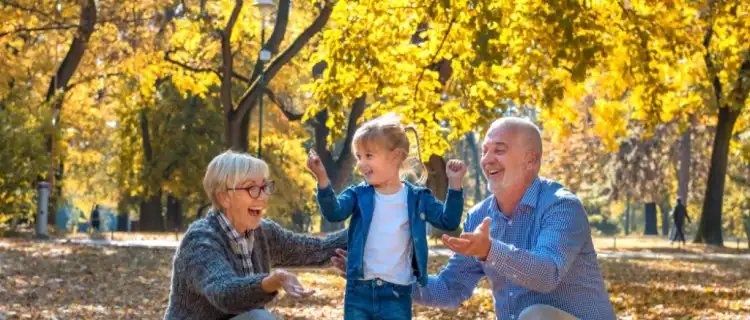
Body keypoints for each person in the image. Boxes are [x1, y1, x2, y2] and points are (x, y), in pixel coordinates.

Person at [332, 117, 616, 320]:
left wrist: (490, 250)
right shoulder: (480, 215)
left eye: (500, 150)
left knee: (536, 314)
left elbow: (546, 274)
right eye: (485, 151)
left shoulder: (561, 207)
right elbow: (450, 289)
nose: (487, 159)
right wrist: (380, 276)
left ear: (531, 160)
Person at [307, 113, 467, 320]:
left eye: (368, 155)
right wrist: (322, 179)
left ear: (394, 156)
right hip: (359, 291)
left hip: (397, 293)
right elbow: (334, 213)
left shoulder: (418, 198)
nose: (360, 163)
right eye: (358, 156)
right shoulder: (358, 194)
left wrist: (455, 186)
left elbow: (449, 221)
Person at [164, 150, 348, 320]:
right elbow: (225, 293)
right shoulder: (201, 240)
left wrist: (366, 224)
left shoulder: (264, 233)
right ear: (223, 197)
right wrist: (270, 282)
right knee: (259, 318)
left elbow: (318, 250)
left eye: (264, 187)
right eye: (251, 188)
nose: (262, 196)